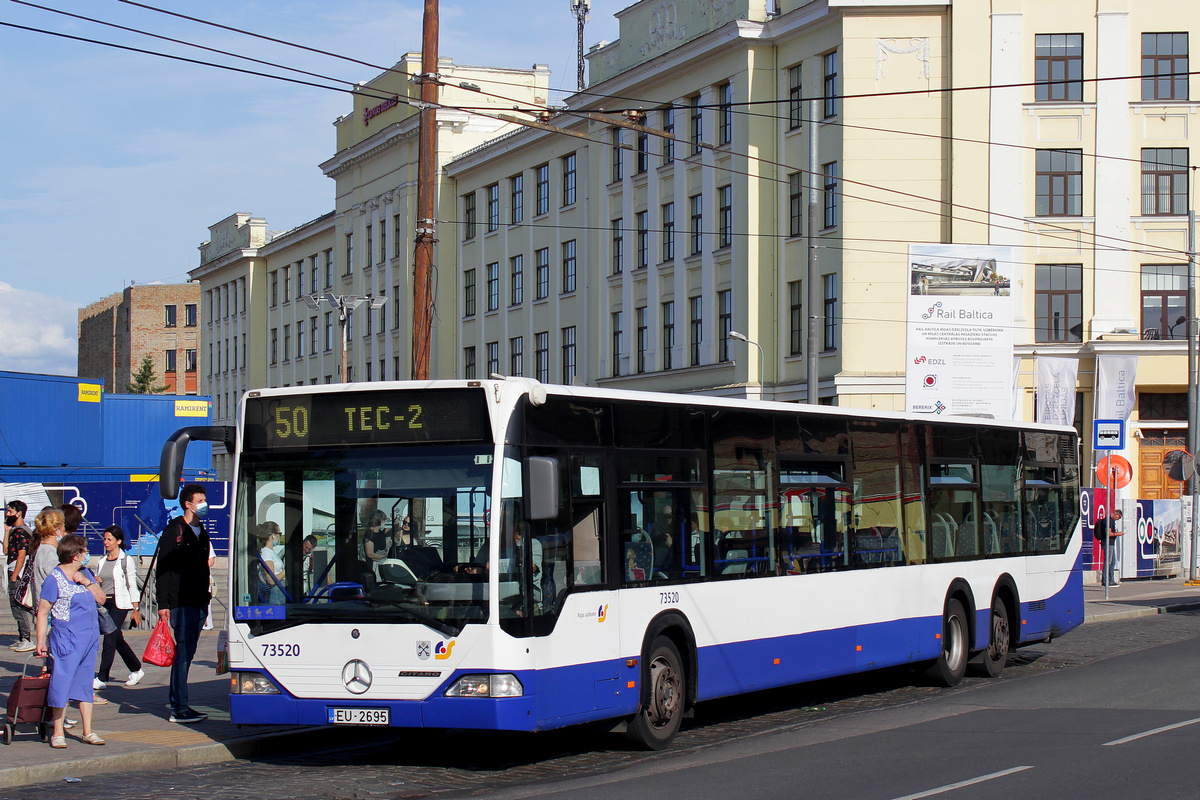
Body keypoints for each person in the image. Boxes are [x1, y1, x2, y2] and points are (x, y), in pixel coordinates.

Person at [34, 535, 106, 748]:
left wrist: (87, 582)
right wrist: (40, 642)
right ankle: (58, 731)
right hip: (67, 637)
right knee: (62, 682)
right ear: (75, 555)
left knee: (85, 683)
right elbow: (42, 612)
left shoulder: (85, 574)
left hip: (89, 637)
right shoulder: (54, 579)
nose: (86, 555)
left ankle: (88, 731)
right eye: (84, 552)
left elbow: (101, 599)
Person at [157, 483, 212, 724]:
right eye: (199, 500)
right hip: (181, 601)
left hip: (200, 600)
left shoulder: (202, 531)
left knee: (188, 653)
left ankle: (181, 703)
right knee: (183, 653)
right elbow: (163, 569)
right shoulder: (175, 530)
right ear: (188, 504)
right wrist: (163, 603)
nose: (204, 504)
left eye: (204, 500)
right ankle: (179, 707)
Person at [93, 526, 144, 689]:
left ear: (118, 541)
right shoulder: (101, 560)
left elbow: (131, 584)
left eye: (109, 539)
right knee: (117, 639)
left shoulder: (125, 560)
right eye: (105, 539)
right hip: (104, 603)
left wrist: (136, 608)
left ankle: (102, 678)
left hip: (119, 603)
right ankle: (136, 668)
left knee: (109, 638)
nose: (106, 542)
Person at [7, 500, 36, 652]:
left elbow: (22, 554)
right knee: (14, 605)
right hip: (13, 570)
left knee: (18, 605)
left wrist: (15, 575)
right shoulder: (14, 530)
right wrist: (6, 531)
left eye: (10, 512)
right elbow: (6, 551)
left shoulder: (21, 531)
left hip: (17, 572)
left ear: (19, 513)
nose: (7, 514)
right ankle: (21, 637)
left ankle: (26, 638)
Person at [255, 521, 287, 605]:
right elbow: (271, 580)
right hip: (275, 598)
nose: (280, 537)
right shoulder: (266, 553)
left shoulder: (270, 552)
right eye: (279, 534)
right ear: (272, 535)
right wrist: (287, 571)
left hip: (279, 595)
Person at [1106, 508, 1124, 586]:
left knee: (1113, 562)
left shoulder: (1112, 521)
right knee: (1109, 562)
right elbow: (1108, 534)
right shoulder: (1109, 521)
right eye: (1119, 517)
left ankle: (1111, 580)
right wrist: (1117, 534)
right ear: (1116, 514)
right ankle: (1108, 580)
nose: (1118, 519)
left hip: (1111, 543)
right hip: (1109, 543)